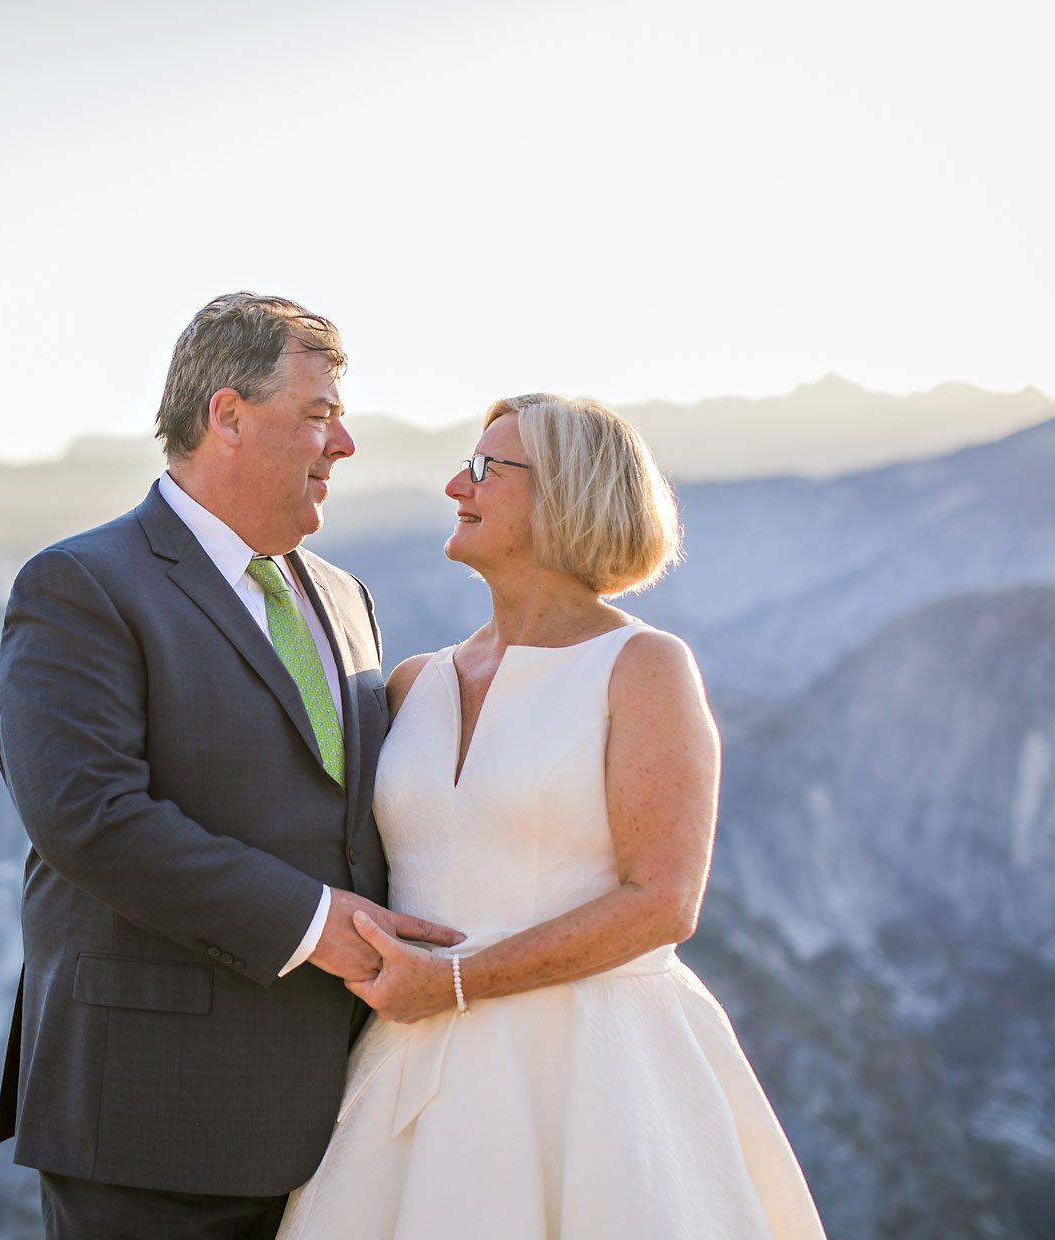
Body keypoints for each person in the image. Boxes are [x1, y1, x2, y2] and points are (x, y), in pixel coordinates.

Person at [275, 394, 826, 1239]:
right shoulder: (410, 684)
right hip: (406, 1068)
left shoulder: (642, 668)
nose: (458, 482)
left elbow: (663, 902)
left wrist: (454, 982)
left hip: (592, 1078)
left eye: (490, 467)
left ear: (570, 495)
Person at [0, 293, 464, 1239]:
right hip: (158, 1119)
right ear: (229, 414)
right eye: (321, 414)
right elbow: (90, 818)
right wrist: (320, 926)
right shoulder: (80, 586)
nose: (345, 446)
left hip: (353, 1116)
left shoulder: (343, 595)